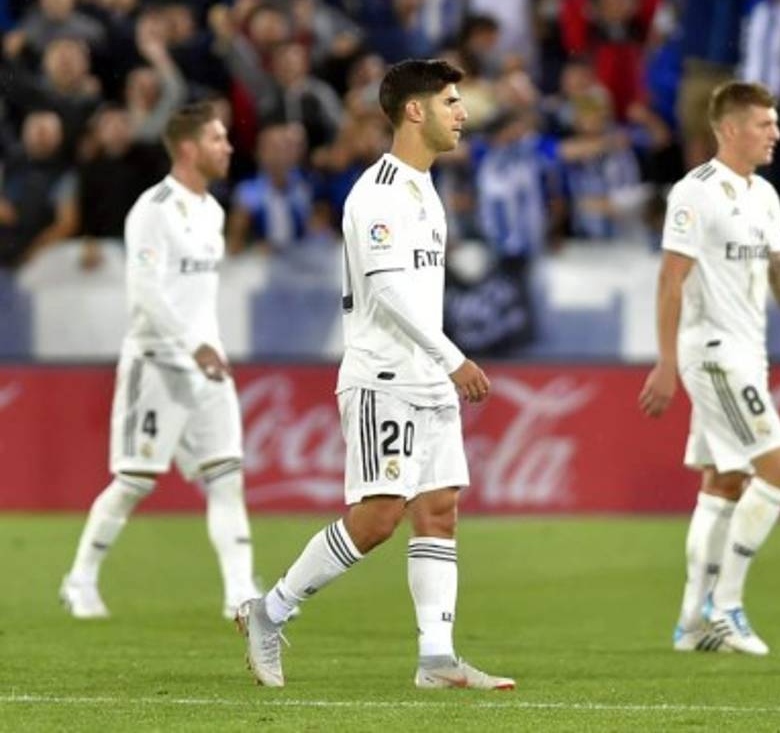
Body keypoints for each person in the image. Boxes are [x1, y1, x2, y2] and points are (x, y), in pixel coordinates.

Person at [237, 59, 514, 691]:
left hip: (427, 377)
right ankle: (270, 611)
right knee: (378, 518)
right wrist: (454, 358)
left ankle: (436, 659)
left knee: (439, 509)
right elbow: (387, 293)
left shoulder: (426, 190)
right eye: (450, 101)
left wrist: (440, 366)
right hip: (383, 376)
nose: (462, 113)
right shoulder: (379, 193)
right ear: (414, 111)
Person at [639, 81, 780, 656]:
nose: (776, 134)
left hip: (747, 352)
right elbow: (671, 279)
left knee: (725, 480)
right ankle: (726, 604)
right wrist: (666, 360)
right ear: (731, 128)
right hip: (711, 352)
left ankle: (692, 622)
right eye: (766, 124)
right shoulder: (695, 193)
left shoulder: (764, 196)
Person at [60, 102, 260, 620]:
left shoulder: (214, 212)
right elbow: (145, 290)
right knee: (134, 482)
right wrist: (193, 343)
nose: (229, 147)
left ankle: (240, 592)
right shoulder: (152, 210)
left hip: (207, 369)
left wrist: (206, 347)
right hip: (157, 363)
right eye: (218, 139)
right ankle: (79, 579)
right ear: (190, 148)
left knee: (226, 476)